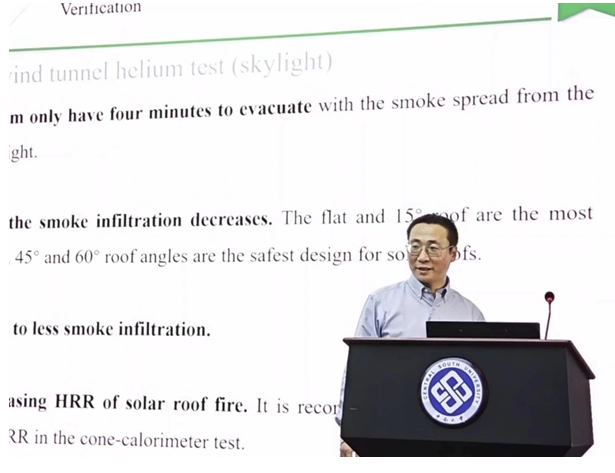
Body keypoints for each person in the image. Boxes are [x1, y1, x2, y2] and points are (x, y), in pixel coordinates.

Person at [336, 213, 485, 457]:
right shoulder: (381, 303)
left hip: (451, 440)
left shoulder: (470, 313)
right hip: (389, 432)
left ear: (453, 253)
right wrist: (349, 430)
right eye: (415, 247)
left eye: (433, 248)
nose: (422, 257)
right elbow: (357, 370)